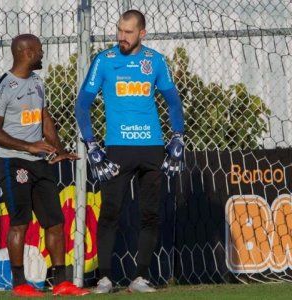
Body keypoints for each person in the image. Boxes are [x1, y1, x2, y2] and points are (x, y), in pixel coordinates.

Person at [75, 10, 185, 293]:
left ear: (142, 33)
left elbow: (173, 102)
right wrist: (92, 144)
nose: (121, 37)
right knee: (110, 212)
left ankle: (140, 278)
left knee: (150, 214)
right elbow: (82, 104)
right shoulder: (104, 61)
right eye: (119, 31)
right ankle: (105, 278)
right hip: (117, 150)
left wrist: (177, 137)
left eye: (128, 32)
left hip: (152, 149)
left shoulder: (155, 61)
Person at [0, 33, 90, 297]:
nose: (43, 54)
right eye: (40, 50)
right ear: (28, 52)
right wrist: (28, 146)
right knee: (19, 222)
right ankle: (20, 283)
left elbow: (44, 119)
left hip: (40, 163)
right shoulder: (3, 85)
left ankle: (61, 283)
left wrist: (58, 148)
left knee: (55, 222)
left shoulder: (37, 82)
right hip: (12, 162)